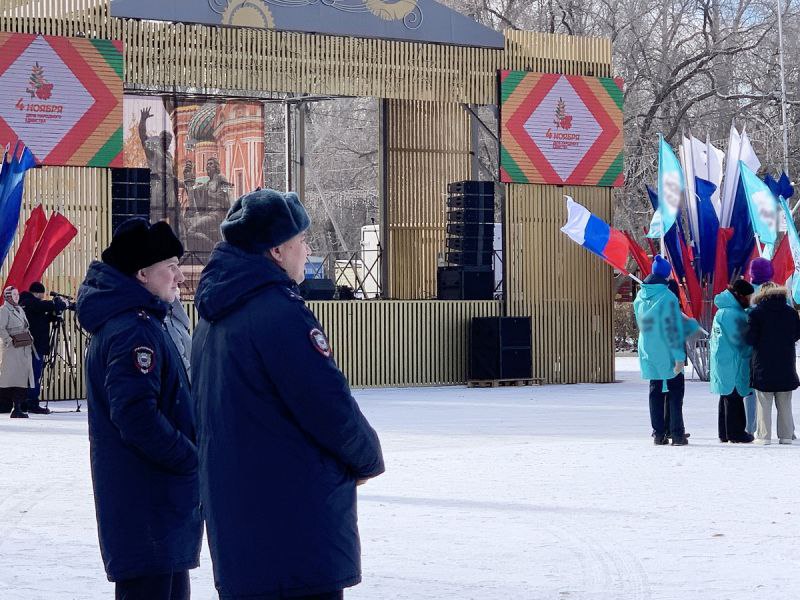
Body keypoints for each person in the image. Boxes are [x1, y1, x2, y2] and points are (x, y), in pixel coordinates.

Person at [192, 189, 385, 599]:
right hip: (294, 532)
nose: (308, 249)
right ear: (277, 250)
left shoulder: (213, 317)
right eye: (302, 240)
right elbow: (326, 404)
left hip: (241, 530)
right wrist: (367, 457)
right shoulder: (278, 312)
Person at [75, 219, 202, 599]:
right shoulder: (134, 330)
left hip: (157, 509)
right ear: (142, 274)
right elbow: (135, 417)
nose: (179, 276)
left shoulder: (144, 322)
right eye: (170, 267)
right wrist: (190, 457)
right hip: (148, 508)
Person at [633, 255, 693, 446]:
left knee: (656, 391)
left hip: (648, 348)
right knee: (675, 393)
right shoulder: (668, 297)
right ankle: (677, 433)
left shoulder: (640, 296)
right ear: (666, 275)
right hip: (666, 350)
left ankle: (659, 433)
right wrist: (678, 357)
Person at [745, 281, 800, 445]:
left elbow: (750, 339)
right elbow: (796, 334)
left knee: (764, 402)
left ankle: (764, 435)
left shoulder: (756, 314)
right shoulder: (790, 312)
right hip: (785, 362)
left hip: (763, 363)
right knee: (785, 403)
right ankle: (786, 435)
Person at [710, 279, 755, 443]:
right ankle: (736, 432)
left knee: (726, 396)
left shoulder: (723, 310)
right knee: (734, 396)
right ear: (740, 296)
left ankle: (725, 432)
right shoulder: (734, 314)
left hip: (723, 360)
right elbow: (741, 341)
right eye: (748, 297)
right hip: (733, 361)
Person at [19, 281, 67, 414]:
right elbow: (42, 306)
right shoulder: (29, 302)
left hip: (29, 345)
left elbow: (41, 317)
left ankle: (24, 402)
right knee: (34, 374)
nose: (43, 297)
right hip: (34, 345)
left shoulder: (27, 304)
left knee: (30, 375)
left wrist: (54, 314)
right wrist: (59, 304)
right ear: (38, 293)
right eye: (42, 294)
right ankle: (32, 403)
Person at [0, 286, 35, 418]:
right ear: (7, 296)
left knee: (21, 378)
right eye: (13, 295)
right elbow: (0, 328)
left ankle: (18, 406)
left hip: (23, 348)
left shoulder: (19, 309)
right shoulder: (3, 311)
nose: (16, 297)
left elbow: (25, 326)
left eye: (17, 294)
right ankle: (14, 407)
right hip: (11, 350)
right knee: (10, 379)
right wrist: (10, 340)